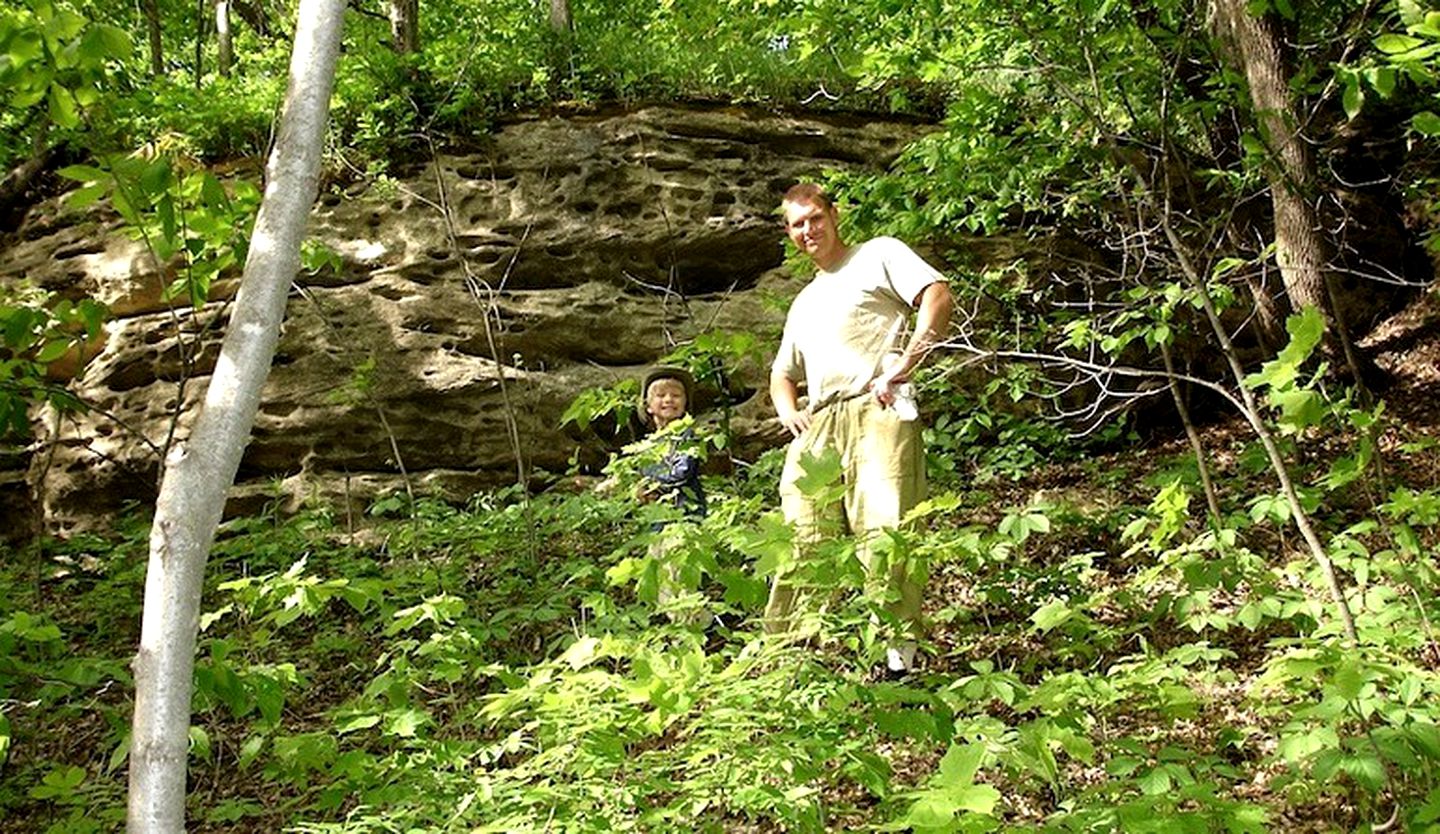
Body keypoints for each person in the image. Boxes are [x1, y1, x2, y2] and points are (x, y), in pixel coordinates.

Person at [764, 183, 952, 673]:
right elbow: (782, 373)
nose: (808, 230)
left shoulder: (878, 254)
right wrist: (789, 412)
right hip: (820, 423)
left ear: (833, 214)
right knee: (803, 533)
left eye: (814, 218)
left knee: (885, 524)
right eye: (797, 224)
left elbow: (936, 295)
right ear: (789, 233)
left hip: (877, 406)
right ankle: (796, 657)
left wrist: (907, 364)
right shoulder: (803, 301)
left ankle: (898, 658)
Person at [634, 367, 710, 622]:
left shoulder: (687, 436)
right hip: (658, 523)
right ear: (648, 405)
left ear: (686, 403)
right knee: (661, 583)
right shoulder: (649, 444)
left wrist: (653, 482)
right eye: (661, 395)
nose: (668, 400)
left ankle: (693, 632)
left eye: (676, 395)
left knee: (680, 580)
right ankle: (685, 628)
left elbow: (683, 472)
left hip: (683, 518)